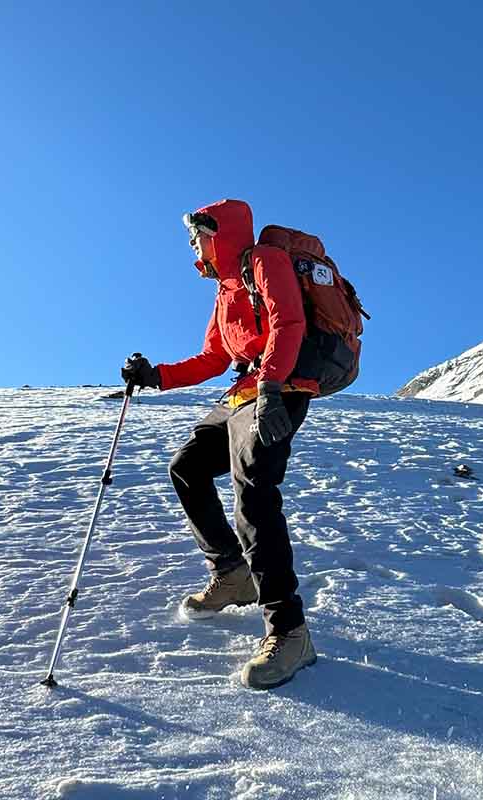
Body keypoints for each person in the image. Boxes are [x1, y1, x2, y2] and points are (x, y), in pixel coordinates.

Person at [121, 199, 317, 690]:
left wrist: (272, 388)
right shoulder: (228, 289)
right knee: (187, 466)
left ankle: (290, 631)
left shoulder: (264, 262)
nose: (192, 245)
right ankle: (232, 573)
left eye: (197, 235)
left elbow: (289, 322)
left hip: (281, 388)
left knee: (253, 491)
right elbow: (214, 356)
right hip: (245, 391)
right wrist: (156, 376)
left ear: (220, 233)